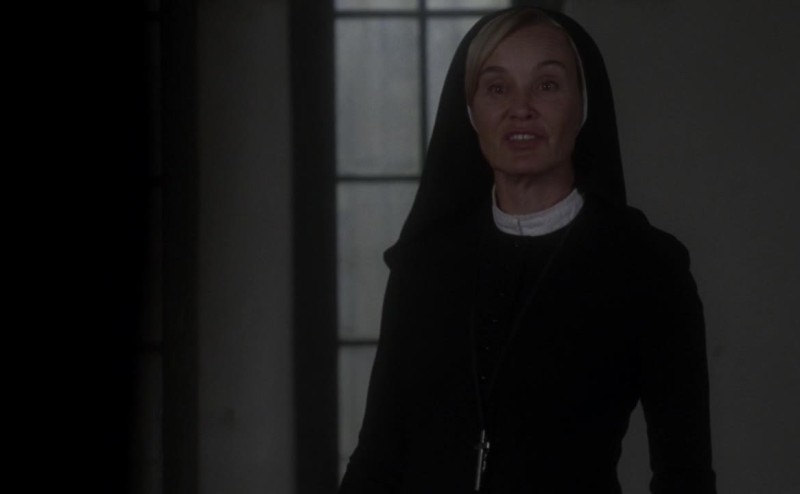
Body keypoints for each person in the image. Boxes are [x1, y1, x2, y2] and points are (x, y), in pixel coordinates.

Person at [338, 7, 716, 494]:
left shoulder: (648, 266)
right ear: (470, 111)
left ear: (583, 106)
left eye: (547, 85)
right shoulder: (424, 265)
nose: (521, 109)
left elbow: (685, 475)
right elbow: (377, 456)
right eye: (497, 88)